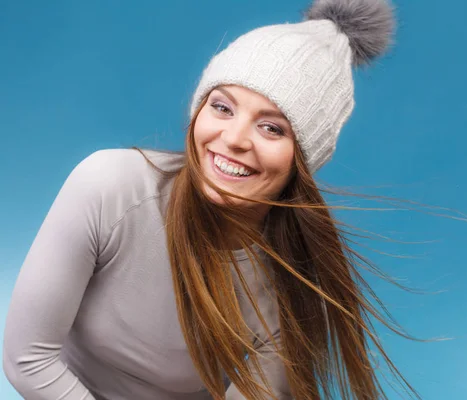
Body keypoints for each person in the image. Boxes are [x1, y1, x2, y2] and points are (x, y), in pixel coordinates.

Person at [3, 0, 419, 399]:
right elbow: (29, 358)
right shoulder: (109, 185)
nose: (234, 138)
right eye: (222, 107)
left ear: (304, 160)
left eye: (272, 128)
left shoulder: (292, 285)